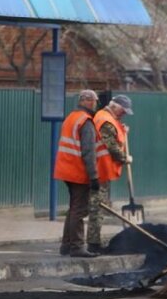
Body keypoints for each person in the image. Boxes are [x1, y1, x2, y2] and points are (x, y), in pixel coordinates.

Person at [53, 90, 101, 258]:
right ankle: (77, 246)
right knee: (79, 210)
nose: (96, 104)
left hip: (66, 169)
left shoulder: (71, 118)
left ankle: (66, 245)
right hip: (77, 171)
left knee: (73, 209)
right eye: (95, 101)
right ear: (87, 101)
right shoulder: (86, 122)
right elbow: (89, 152)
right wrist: (94, 176)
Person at [88, 94, 134, 254]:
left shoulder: (108, 118)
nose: (124, 114)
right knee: (96, 207)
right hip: (99, 170)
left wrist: (122, 129)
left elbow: (115, 134)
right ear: (114, 106)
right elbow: (112, 146)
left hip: (101, 170)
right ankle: (93, 244)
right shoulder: (105, 120)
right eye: (123, 111)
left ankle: (87, 241)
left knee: (99, 206)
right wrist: (125, 158)